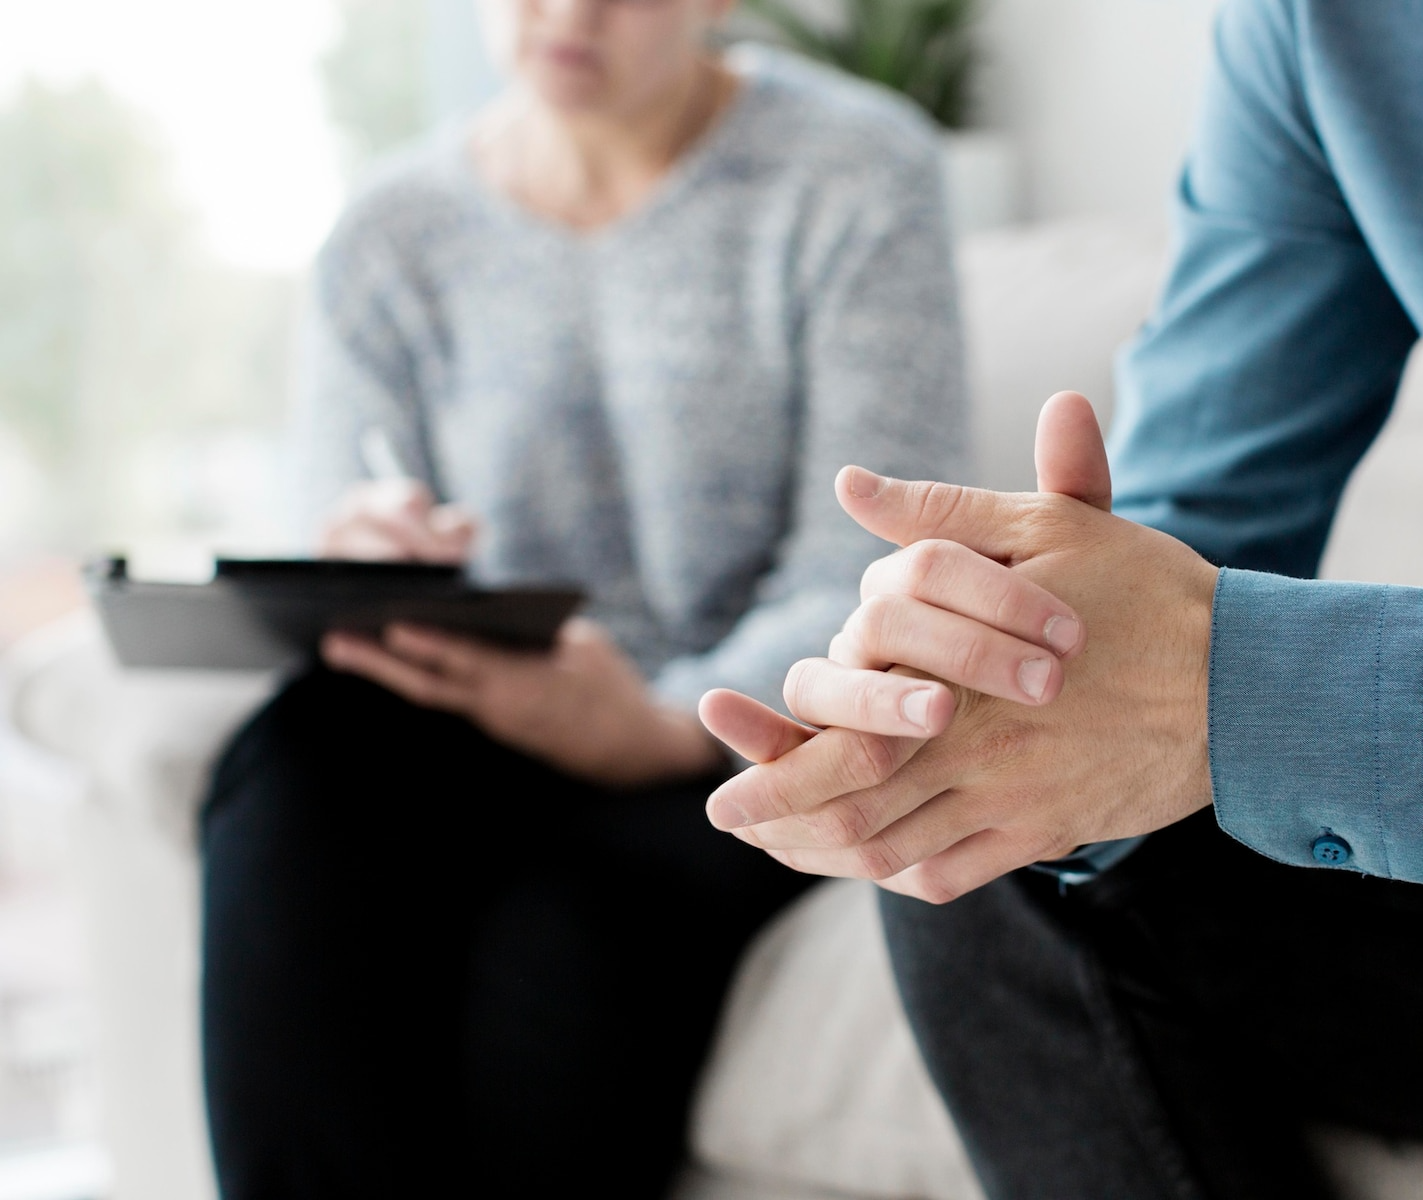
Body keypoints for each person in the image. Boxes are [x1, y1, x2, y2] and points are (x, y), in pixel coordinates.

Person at [695, 0, 1423, 1195]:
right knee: (1014, 805)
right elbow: (1176, 554)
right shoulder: (1334, 30)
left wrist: (1243, 686)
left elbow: (1207, 667)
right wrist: (996, 669)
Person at [197, 0, 966, 1195]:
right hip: (470, 722)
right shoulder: (390, 233)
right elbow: (342, 508)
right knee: (298, 760)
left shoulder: (856, 173)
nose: (567, 14)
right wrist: (362, 552)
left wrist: (656, 724)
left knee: (570, 931)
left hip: (723, 748)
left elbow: (865, 561)